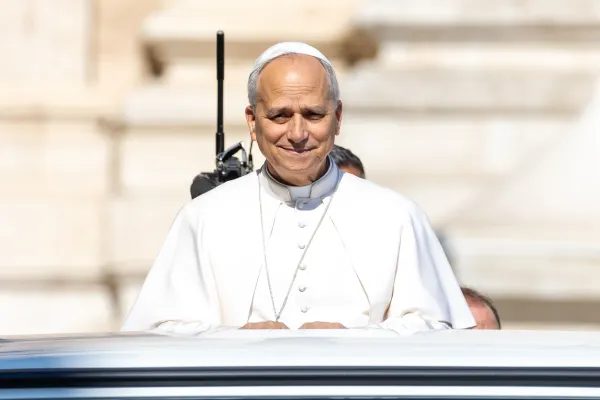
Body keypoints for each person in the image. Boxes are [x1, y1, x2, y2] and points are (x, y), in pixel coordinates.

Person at [122, 42, 475, 335]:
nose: (297, 133)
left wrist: (353, 340)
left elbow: (440, 329)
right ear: (252, 120)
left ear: (337, 117)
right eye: (279, 116)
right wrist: (236, 339)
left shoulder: (396, 215)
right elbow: (156, 332)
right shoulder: (203, 217)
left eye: (313, 114)